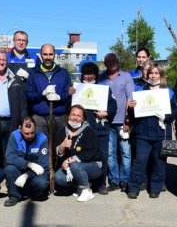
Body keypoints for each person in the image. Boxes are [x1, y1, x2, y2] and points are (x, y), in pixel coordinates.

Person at [126, 63, 177, 199]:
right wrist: (131, 108)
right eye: (151, 73)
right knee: (139, 161)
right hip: (142, 131)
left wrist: (166, 117)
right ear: (146, 74)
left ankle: (155, 187)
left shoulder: (168, 91)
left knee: (159, 161)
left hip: (161, 132)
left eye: (156, 73)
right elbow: (133, 115)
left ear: (161, 75)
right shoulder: (140, 90)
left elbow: (175, 111)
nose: (153, 76)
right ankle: (133, 187)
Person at [68, 62, 117, 195]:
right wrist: (69, 94)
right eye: (86, 73)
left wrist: (106, 113)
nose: (89, 76)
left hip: (100, 129)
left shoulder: (103, 89)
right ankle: (83, 182)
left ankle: (101, 184)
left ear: (96, 75)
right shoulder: (76, 88)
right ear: (82, 74)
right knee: (82, 156)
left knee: (102, 157)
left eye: (92, 74)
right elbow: (70, 108)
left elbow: (113, 105)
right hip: (82, 131)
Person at [98, 53, 134, 192]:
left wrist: (127, 119)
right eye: (108, 61)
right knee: (110, 153)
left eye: (114, 60)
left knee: (125, 152)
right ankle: (114, 180)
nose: (112, 63)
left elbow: (129, 99)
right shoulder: (101, 78)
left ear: (118, 62)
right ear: (105, 63)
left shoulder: (126, 76)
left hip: (123, 121)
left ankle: (125, 180)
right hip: (106, 122)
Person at [54, 105, 103, 202]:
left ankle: (86, 189)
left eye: (78, 116)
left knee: (75, 166)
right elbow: (58, 153)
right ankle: (80, 186)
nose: (75, 118)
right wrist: (63, 145)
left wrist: (69, 160)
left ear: (83, 118)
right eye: (73, 115)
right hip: (72, 167)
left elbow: (91, 153)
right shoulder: (63, 131)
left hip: (93, 165)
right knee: (58, 177)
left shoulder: (88, 131)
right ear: (68, 116)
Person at [25, 43, 72, 138]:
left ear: (55, 55)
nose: (48, 57)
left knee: (59, 148)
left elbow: (69, 93)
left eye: (50, 54)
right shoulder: (34, 73)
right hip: (39, 119)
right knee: (42, 148)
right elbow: (28, 95)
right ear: (41, 55)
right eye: (45, 54)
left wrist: (59, 97)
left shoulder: (63, 73)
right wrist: (42, 94)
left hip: (60, 117)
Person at [3, 116, 50, 206]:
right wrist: (28, 164)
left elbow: (43, 165)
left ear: (35, 128)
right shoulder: (14, 136)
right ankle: (14, 196)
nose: (30, 136)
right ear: (20, 129)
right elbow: (9, 157)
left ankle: (28, 192)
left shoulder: (42, 138)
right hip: (21, 168)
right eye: (26, 133)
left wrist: (26, 175)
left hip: (37, 172)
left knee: (42, 184)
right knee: (9, 169)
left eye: (32, 132)